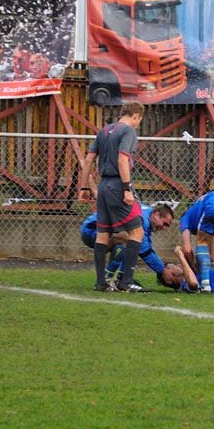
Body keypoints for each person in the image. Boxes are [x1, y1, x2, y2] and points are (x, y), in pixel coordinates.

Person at [78, 102, 146, 292]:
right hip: (118, 185)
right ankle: (127, 281)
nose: (137, 124)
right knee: (137, 232)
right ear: (135, 116)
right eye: (138, 120)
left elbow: (89, 159)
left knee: (103, 235)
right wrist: (127, 188)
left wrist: (84, 186)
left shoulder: (104, 131)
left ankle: (101, 282)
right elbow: (122, 159)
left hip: (103, 186)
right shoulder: (128, 131)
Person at [80, 204, 175, 289]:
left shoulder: (147, 214)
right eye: (165, 224)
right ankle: (109, 278)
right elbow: (144, 250)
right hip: (91, 230)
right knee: (128, 239)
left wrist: (161, 268)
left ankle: (121, 279)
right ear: (156, 215)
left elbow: (146, 246)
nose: (164, 228)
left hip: (97, 228)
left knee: (133, 242)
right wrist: (162, 270)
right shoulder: (143, 219)